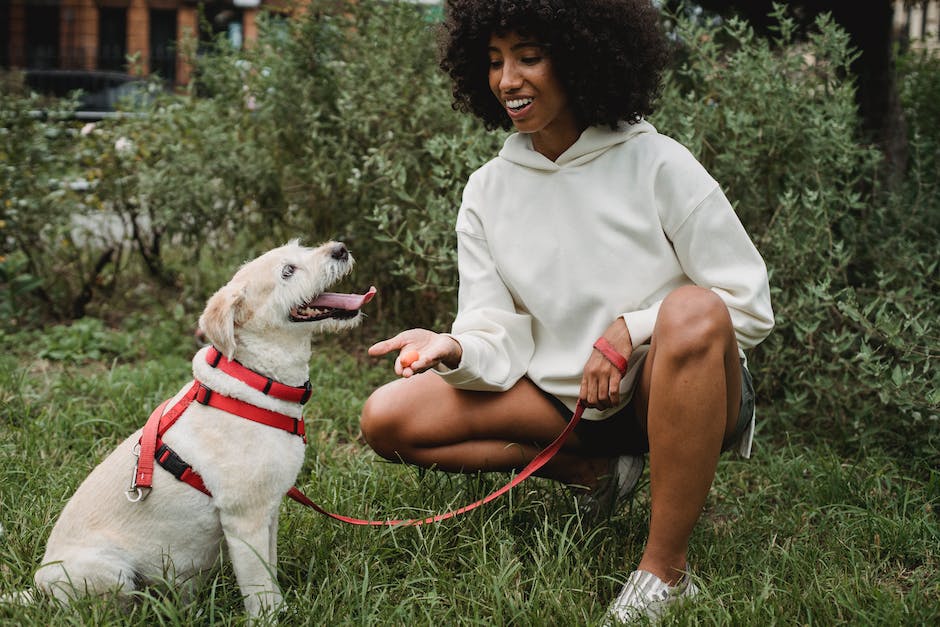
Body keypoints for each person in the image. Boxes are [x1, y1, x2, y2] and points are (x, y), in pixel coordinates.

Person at [360, 0, 774, 622]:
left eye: (529, 57)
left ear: (581, 59)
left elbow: (746, 303)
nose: (507, 80)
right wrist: (457, 347)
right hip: (568, 402)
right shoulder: (487, 189)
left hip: (673, 388)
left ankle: (665, 570)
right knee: (386, 419)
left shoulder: (658, 162)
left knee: (691, 309)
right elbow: (495, 326)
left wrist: (630, 330)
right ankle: (592, 469)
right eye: (495, 61)